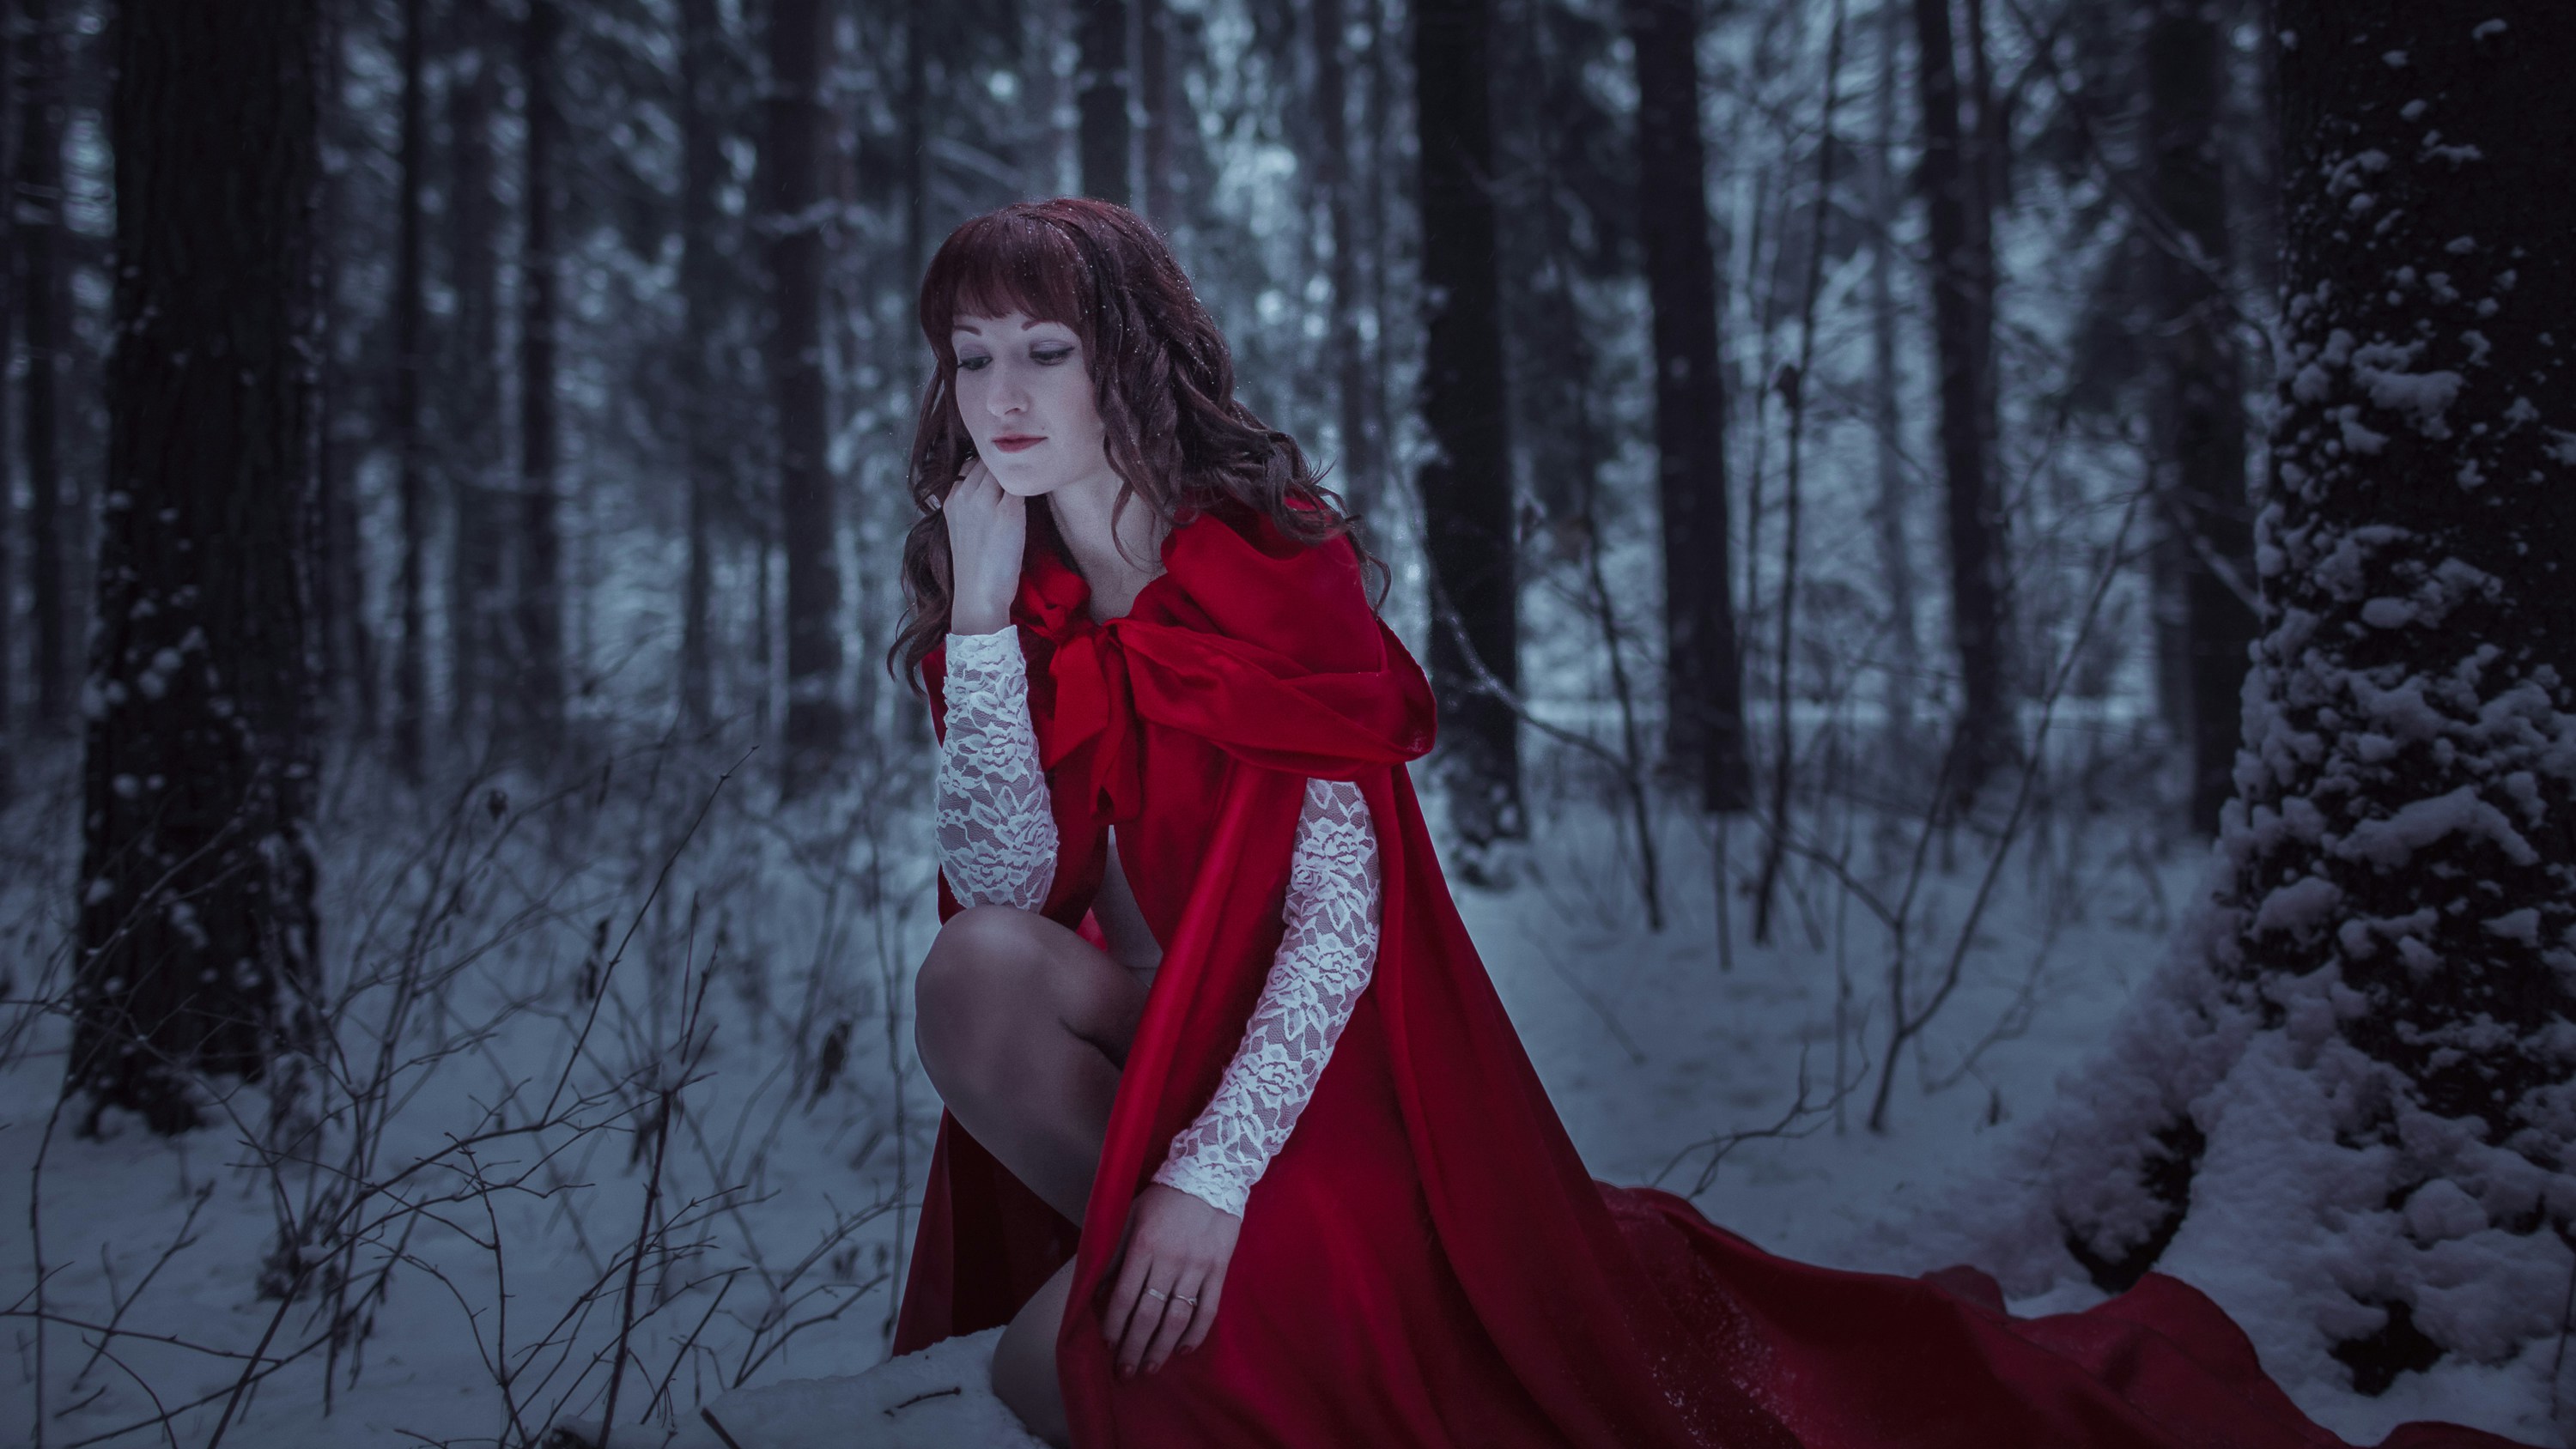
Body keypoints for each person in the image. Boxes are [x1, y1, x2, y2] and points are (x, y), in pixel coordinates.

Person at [886, 197, 2528, 1449]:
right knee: (971, 975)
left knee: (1068, 1372)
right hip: (1159, 1060)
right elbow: (1016, 888)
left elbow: (1338, 930)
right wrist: (973, 618)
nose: (1005, 395)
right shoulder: (1018, 592)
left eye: (1048, 350)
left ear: (1131, 361)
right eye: (973, 356)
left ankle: (1216, 1272)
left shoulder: (1265, 566)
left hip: (1331, 1094)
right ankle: (1176, 1279)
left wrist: (1211, 1184)